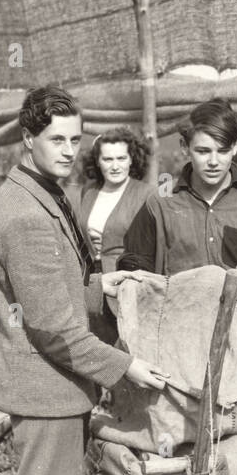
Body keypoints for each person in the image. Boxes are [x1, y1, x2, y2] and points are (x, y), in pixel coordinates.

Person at [0, 86, 169, 475]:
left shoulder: (42, 191)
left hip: (51, 384)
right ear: (27, 139)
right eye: (55, 139)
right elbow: (53, 328)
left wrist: (99, 284)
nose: (68, 150)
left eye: (74, 139)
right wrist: (123, 366)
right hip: (45, 388)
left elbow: (55, 289)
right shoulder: (26, 215)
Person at [118, 98, 237, 305]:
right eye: (203, 151)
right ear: (185, 147)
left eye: (222, 151)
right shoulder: (160, 203)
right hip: (177, 323)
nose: (213, 162)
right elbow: (135, 268)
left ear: (236, 147)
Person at [72, 127, 155, 344]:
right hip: (93, 282)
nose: (115, 166)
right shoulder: (89, 192)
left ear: (131, 160)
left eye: (121, 158)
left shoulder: (146, 193)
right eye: (107, 159)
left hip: (127, 285)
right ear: (98, 162)